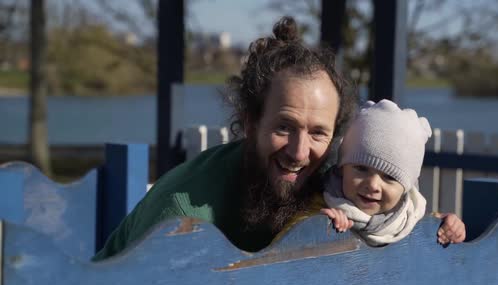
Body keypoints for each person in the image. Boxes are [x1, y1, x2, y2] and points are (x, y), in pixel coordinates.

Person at [93, 16, 463, 260]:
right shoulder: (184, 210)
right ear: (250, 121)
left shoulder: (331, 186)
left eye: (319, 132)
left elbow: (381, 220)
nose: (300, 152)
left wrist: (432, 225)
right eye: (284, 127)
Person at [319, 100, 466, 246]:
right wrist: (321, 223)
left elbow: (427, 224)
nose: (373, 185)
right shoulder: (319, 199)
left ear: (405, 188)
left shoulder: (410, 217)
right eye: (361, 169)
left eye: (389, 177)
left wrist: (447, 224)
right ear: (342, 168)